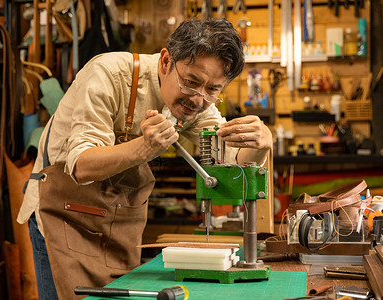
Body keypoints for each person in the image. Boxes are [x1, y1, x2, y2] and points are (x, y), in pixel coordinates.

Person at [18, 18, 272, 299]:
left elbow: (232, 162)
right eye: (191, 82)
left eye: (213, 90)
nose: (199, 100)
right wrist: (144, 148)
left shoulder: (198, 103)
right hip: (64, 216)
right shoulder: (108, 74)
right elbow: (81, 164)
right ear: (165, 62)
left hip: (115, 226)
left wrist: (262, 144)